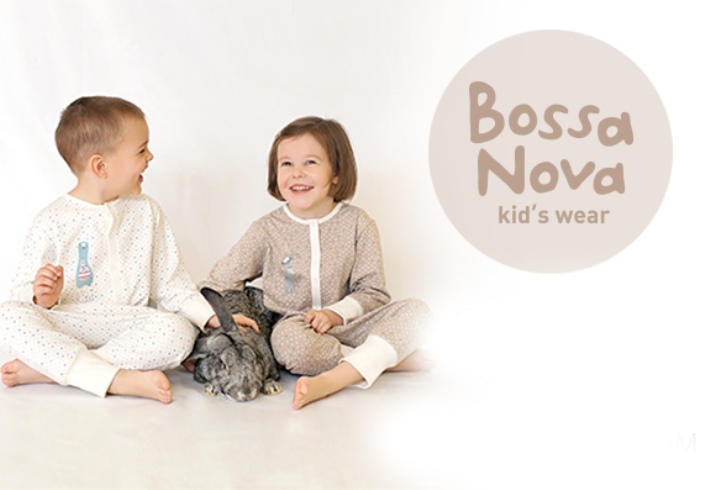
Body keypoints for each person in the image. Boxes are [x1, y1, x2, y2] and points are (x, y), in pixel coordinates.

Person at [0, 96, 251, 403]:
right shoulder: (52, 220)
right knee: (8, 317)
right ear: (100, 166)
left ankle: (55, 371)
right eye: (141, 151)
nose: (151, 156)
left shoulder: (147, 211)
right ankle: (117, 379)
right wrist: (43, 298)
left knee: (179, 330)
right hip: (69, 321)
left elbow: (172, 284)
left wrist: (213, 318)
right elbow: (21, 293)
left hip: (128, 323)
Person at [203, 116, 435, 410]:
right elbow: (218, 281)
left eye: (310, 163)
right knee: (288, 344)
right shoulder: (266, 230)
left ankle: (335, 377)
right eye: (286, 164)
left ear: (336, 173)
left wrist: (336, 314)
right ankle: (386, 360)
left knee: (418, 312)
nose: (297, 173)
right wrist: (208, 327)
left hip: (353, 326)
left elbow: (373, 292)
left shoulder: (359, 224)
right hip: (297, 331)